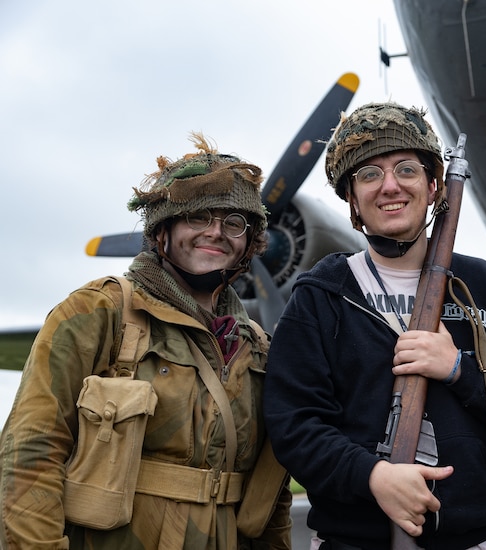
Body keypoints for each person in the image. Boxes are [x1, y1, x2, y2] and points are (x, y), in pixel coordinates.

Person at [263, 101, 486, 549]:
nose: (390, 186)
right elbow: (294, 424)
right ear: (351, 198)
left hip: (483, 539)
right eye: (369, 174)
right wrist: (373, 476)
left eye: (406, 169)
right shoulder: (320, 296)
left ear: (435, 186)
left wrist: (461, 369)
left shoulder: (484, 286)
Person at [0, 133, 291, 550]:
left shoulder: (256, 347)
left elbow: (271, 493)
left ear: (249, 242)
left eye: (233, 223)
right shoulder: (97, 312)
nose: (216, 232)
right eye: (198, 217)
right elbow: (30, 454)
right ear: (163, 230)